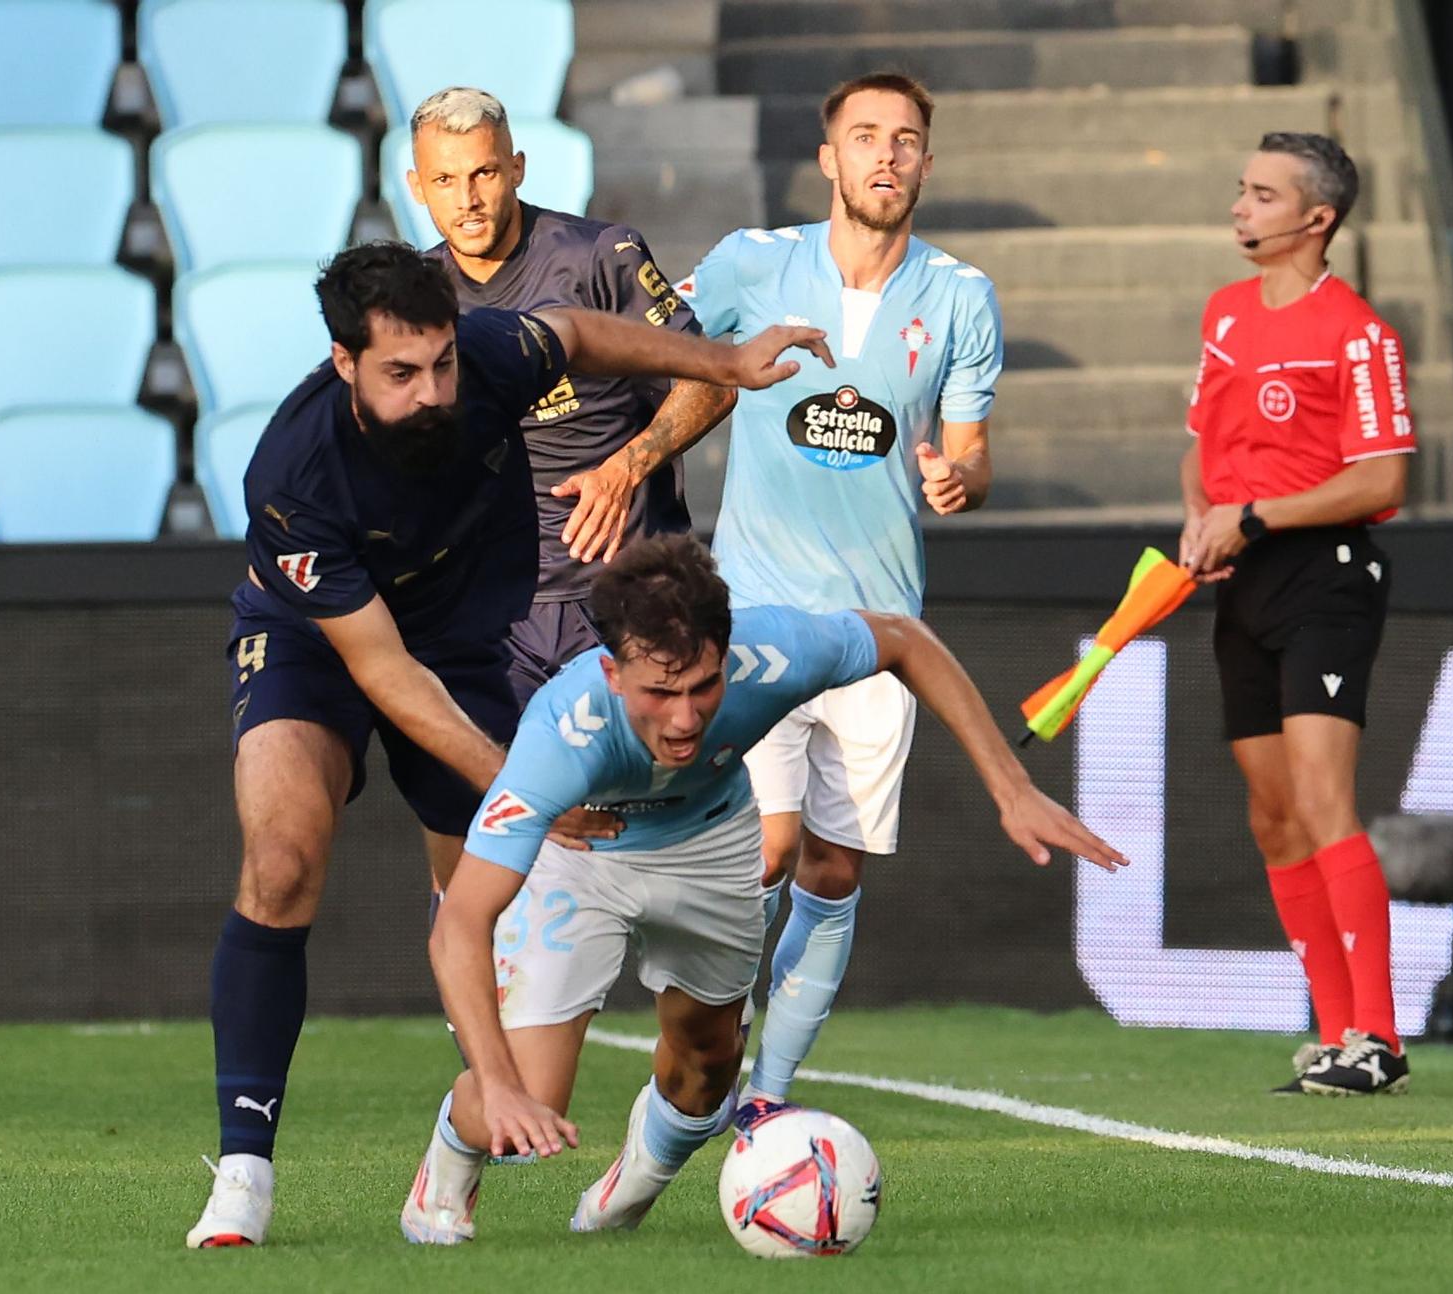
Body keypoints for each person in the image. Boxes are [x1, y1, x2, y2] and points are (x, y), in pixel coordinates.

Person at [189, 241, 828, 1249]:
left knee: (478, 912)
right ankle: (243, 1170)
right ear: (342, 362)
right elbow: (384, 675)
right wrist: (519, 792)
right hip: (319, 644)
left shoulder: (486, 355)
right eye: (401, 372)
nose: (433, 388)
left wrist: (728, 363)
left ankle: (469, 1129)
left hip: (459, 639)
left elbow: (573, 332)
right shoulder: (292, 475)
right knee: (280, 858)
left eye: (441, 361)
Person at [399, 534, 1126, 1244]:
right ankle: (447, 1170)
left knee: (709, 1066)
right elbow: (458, 922)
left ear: (726, 652)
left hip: (711, 844)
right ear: (613, 673)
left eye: (703, 686)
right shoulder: (561, 733)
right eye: (659, 692)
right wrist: (493, 1081)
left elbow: (905, 639)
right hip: (582, 854)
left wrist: (1013, 788)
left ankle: (622, 1202)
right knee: (527, 1094)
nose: (684, 718)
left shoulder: (771, 651)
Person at [609, 71, 1004, 1117]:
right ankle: (699, 1047)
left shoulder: (959, 295)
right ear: (826, 159)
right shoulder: (754, 262)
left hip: (881, 634)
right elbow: (678, 357)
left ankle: (766, 1099)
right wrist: (635, 453)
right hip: (757, 617)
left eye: (906, 139)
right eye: (864, 136)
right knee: (766, 849)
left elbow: (968, 450)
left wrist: (960, 480)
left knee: (830, 873)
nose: (885, 155)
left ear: (926, 160)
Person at [1179, 132, 1414, 1096]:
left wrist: (1256, 515)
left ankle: (1381, 1040)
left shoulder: (1357, 333)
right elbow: (1200, 442)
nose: (1241, 207)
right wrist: (1202, 519)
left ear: (1316, 219)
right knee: (1273, 816)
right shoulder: (1226, 313)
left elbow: (1384, 476)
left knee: (1322, 803)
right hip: (1243, 573)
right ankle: (1333, 1035)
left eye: (1264, 195)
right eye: (1241, 190)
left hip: (1325, 570)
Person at [406, 86, 734, 708]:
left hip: (629, 592)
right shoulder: (418, 294)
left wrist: (624, 470)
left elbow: (713, 381)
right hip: (499, 613)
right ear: (417, 186)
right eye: (444, 180)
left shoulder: (599, 257)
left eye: (484, 173)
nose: (467, 200)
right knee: (487, 799)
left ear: (518, 167)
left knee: (630, 799)